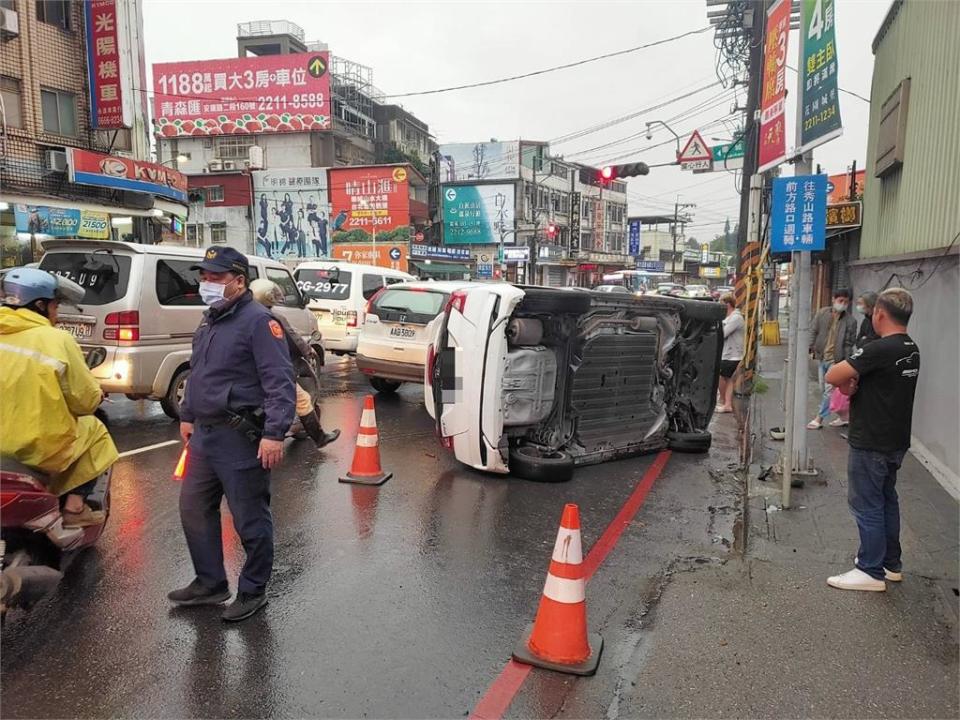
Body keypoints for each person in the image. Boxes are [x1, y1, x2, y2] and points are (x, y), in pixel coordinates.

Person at [168, 247, 296, 622]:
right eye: (203, 276)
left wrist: (274, 433)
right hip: (205, 437)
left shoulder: (259, 322)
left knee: (249, 520)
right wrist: (187, 414)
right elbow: (199, 372)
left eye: (215, 277)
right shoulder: (210, 319)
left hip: (242, 438)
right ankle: (210, 583)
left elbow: (280, 381)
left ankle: (253, 589)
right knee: (193, 508)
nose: (206, 283)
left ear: (239, 282)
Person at [0, 268, 118, 527]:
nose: (57, 313)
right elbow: (85, 402)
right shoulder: (58, 340)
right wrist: (96, 396)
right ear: (40, 305)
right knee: (96, 429)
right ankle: (75, 509)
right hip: (35, 450)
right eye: (55, 306)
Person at [824, 288, 919, 591]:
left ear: (879, 313)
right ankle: (891, 564)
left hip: (872, 440)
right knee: (887, 499)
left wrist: (848, 380)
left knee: (866, 504)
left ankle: (870, 570)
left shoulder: (880, 349)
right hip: (895, 439)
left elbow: (832, 374)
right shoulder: (910, 348)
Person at [249, 278, 340, 448]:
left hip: (245, 375)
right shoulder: (273, 318)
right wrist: (308, 350)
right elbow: (293, 340)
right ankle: (319, 438)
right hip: (271, 372)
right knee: (303, 399)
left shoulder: (240, 316)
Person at [808, 288, 858, 429]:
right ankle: (844, 417)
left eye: (846, 302)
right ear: (833, 299)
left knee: (828, 391)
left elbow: (849, 343)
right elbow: (813, 330)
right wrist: (810, 346)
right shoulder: (823, 313)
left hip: (837, 361)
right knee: (824, 388)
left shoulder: (850, 321)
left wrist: (846, 363)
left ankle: (819, 419)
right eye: (840, 301)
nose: (843, 304)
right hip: (822, 357)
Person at [716, 293, 744, 413]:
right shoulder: (729, 318)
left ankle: (725, 402)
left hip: (732, 355)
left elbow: (723, 333)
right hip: (727, 353)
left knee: (724, 378)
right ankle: (725, 402)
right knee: (727, 379)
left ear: (728, 304)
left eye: (721, 304)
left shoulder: (735, 318)